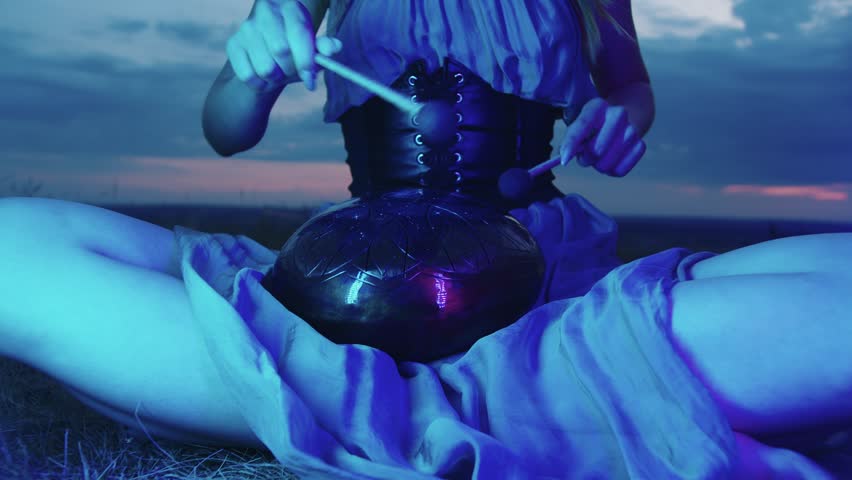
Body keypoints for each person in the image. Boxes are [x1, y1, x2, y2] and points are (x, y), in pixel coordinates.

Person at [1, 0, 850, 478]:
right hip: (362, 277)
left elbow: (630, 90)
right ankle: (529, 392)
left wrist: (619, 121)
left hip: (546, 273)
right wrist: (253, 65)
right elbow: (226, 127)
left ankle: (375, 394)